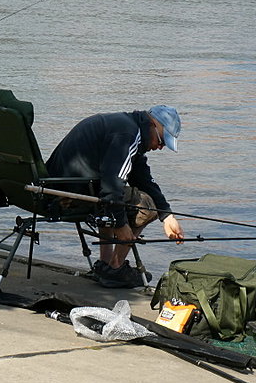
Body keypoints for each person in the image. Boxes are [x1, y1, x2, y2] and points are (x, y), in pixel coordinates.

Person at [45, 105, 184, 288]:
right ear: (153, 124)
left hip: (54, 189)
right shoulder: (127, 136)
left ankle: (105, 264)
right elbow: (111, 190)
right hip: (67, 198)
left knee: (120, 196)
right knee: (146, 206)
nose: (159, 147)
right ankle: (115, 268)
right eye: (161, 140)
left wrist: (167, 215)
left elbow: (142, 178)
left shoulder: (125, 126)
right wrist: (121, 226)